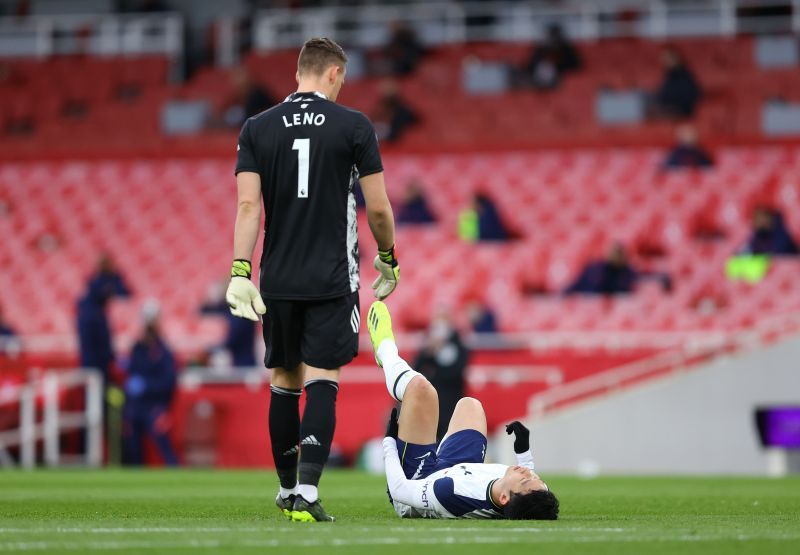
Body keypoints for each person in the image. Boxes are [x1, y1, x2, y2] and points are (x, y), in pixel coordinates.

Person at [226, 37, 398, 522]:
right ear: (333, 74)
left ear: (298, 72)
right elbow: (379, 207)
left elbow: (246, 206)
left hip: (277, 278)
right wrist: (388, 256)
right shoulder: (354, 125)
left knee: (283, 380)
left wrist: (240, 270)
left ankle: (284, 491)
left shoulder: (257, 127)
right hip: (331, 279)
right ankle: (306, 490)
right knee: (323, 378)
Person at [366, 301, 559, 520]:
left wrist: (389, 442)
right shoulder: (522, 491)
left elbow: (400, 490)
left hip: (417, 483)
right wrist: (523, 452)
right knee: (471, 406)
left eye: (525, 479)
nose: (528, 473)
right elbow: (531, 486)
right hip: (459, 469)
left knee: (422, 390)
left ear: (504, 498)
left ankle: (385, 351)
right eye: (538, 479)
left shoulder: (451, 493)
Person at [122, 303, 179, 466]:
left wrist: (146, 386)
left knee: (163, 444)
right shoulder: (137, 349)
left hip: (156, 405)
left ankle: (175, 473)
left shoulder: (163, 351)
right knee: (132, 445)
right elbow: (131, 374)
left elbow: (168, 382)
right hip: (136, 406)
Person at [414, 310, 469, 441]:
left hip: (452, 402)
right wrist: (429, 351)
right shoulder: (429, 348)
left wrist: (436, 371)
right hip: (432, 402)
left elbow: (456, 372)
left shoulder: (458, 345)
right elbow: (416, 369)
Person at [76, 254, 131, 383]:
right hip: (95, 361)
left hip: (101, 363)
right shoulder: (95, 284)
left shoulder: (110, 280)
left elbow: (125, 292)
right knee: (93, 371)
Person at [200, 279, 257, 367]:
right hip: (239, 361)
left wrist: (211, 348)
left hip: (243, 363)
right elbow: (205, 310)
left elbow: (232, 340)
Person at [519, 23, 581, 90]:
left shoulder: (566, 50)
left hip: (559, 80)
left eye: (554, 36)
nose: (552, 39)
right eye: (550, 36)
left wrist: (558, 66)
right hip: (538, 79)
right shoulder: (540, 50)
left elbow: (576, 66)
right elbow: (530, 66)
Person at [653, 46, 701, 118]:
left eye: (668, 57)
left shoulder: (685, 77)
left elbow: (689, 98)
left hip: (680, 112)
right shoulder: (668, 77)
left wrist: (672, 108)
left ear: (676, 57)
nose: (665, 61)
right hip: (666, 109)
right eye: (663, 58)